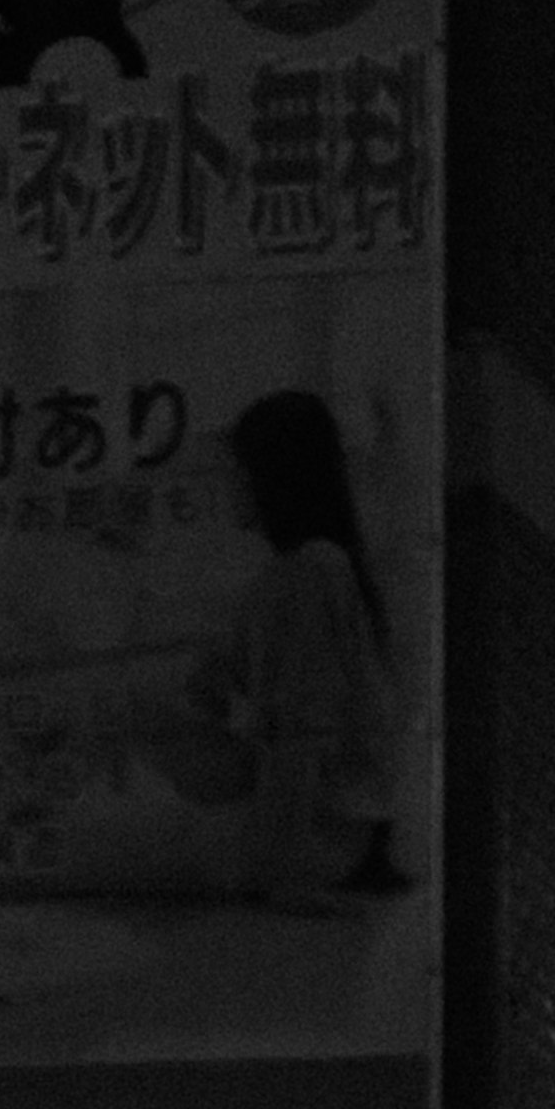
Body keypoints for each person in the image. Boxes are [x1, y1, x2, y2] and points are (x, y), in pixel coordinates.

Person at [151, 386, 408, 903]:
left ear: (274, 477)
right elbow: (216, 683)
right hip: (315, 829)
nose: (229, 487)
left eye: (239, 472)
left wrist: (277, 867)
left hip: (319, 840)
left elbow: (307, 735)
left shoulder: (311, 573)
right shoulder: (291, 577)